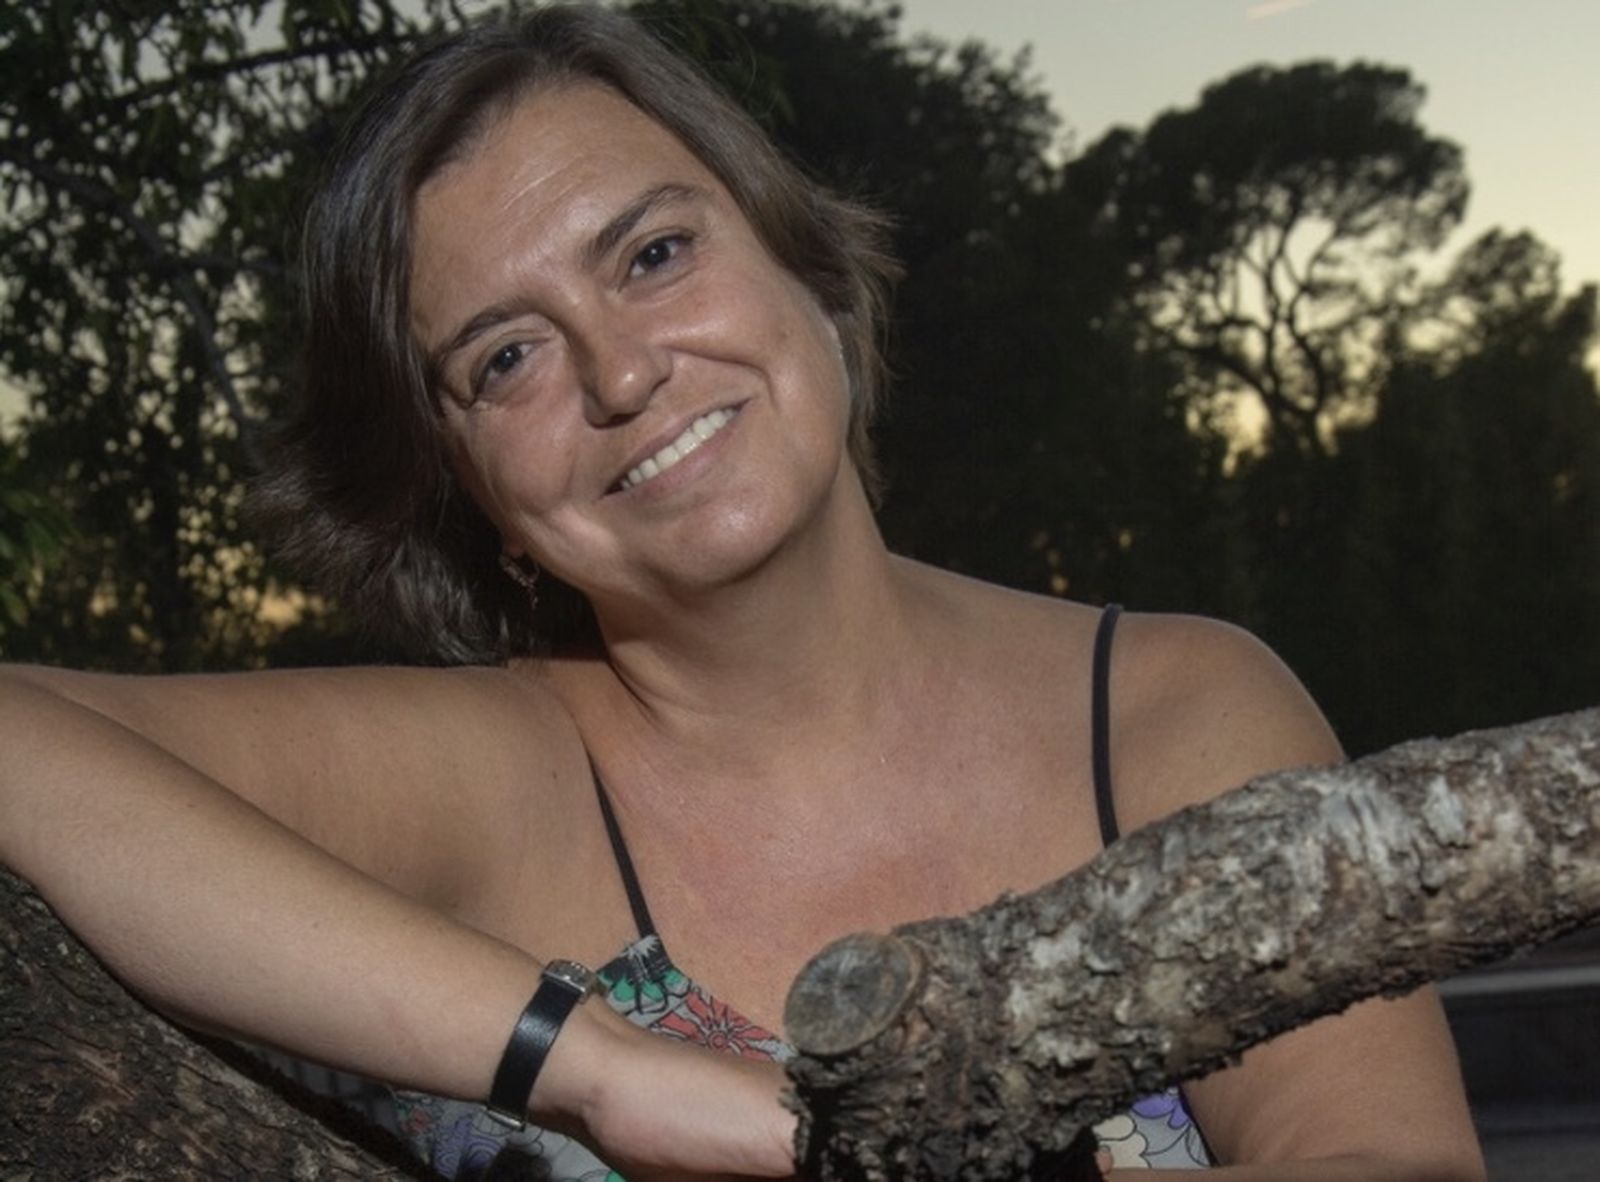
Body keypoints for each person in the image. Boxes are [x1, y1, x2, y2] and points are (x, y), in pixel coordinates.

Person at [0, 6, 1486, 1180]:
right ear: (476, 504)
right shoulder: (495, 777)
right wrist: (598, 1067)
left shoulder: (1172, 712)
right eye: (505, 358)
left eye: (653, 254)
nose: (623, 373)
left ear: (807, 270)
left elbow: (1398, 1164)